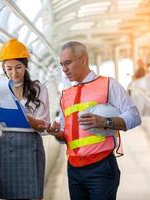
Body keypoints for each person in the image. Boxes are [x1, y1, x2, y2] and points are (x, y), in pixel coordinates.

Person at [46, 41, 141, 200]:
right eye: (61, 64)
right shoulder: (66, 94)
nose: (64, 69)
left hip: (101, 167)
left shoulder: (108, 84)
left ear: (82, 60)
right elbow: (65, 136)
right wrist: (56, 133)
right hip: (74, 169)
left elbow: (134, 116)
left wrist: (105, 122)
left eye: (67, 63)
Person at [0, 38, 50, 200]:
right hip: (8, 148)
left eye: (18, 67)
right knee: (10, 196)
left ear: (25, 66)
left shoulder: (39, 89)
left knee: (34, 195)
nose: (14, 73)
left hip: (32, 146)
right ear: (3, 68)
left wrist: (25, 118)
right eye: (9, 68)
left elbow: (43, 125)